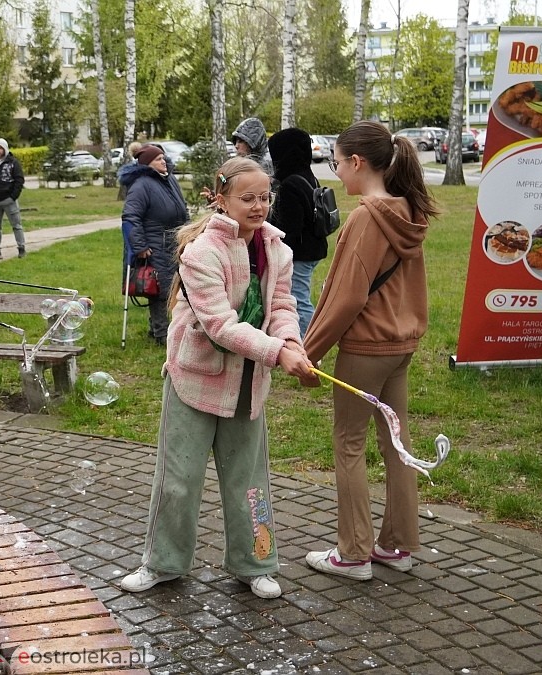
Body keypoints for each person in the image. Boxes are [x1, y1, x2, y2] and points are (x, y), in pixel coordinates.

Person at [119, 156, 311, 599]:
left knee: (251, 482)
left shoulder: (279, 250)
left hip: (249, 385)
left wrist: (292, 341)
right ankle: (162, 563)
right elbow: (220, 324)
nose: (259, 205)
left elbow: (282, 307)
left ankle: (256, 563)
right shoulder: (201, 252)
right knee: (178, 479)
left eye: (265, 197)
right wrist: (279, 352)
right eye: (247, 198)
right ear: (221, 199)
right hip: (194, 380)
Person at [298, 120, 440, 580]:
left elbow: (348, 297)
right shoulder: (406, 210)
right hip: (401, 345)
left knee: (349, 444)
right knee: (396, 442)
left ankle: (353, 553)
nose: (336, 172)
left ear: (357, 162)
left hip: (365, 347)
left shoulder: (366, 216)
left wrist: (309, 352)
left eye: (337, 163)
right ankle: (397, 546)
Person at [120, 144, 188, 345]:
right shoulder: (141, 185)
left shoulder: (169, 180)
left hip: (173, 243)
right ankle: (161, 334)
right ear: (148, 164)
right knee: (159, 290)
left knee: (175, 287)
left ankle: (159, 328)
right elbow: (130, 217)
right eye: (158, 159)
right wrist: (139, 246)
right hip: (154, 245)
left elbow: (181, 209)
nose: (163, 161)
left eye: (164, 158)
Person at [268, 127, 329, 335]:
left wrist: (276, 250)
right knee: (299, 295)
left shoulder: (289, 184)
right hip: (313, 247)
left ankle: (308, 346)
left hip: (300, 252)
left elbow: (289, 229)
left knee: (297, 299)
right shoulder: (307, 176)